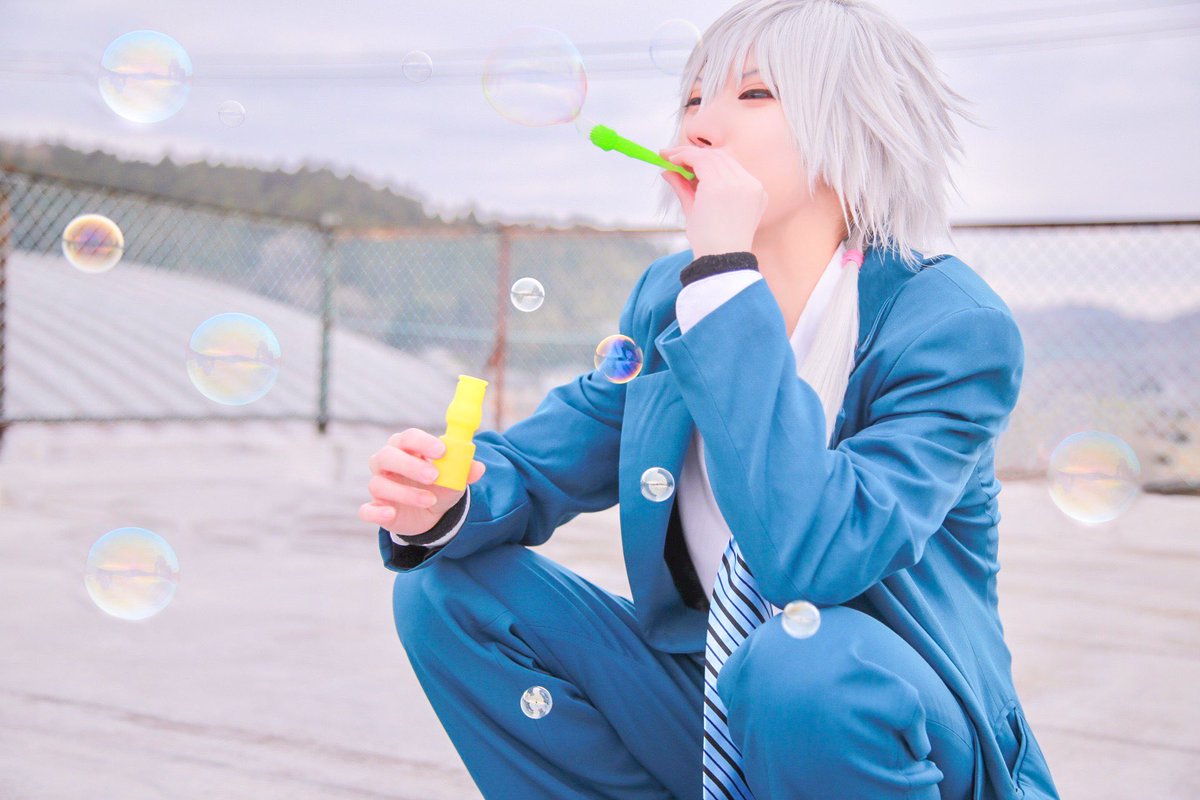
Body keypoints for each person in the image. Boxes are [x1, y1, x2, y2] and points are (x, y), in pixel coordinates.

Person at [359, 1, 1061, 797]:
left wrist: (727, 282)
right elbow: (544, 459)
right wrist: (445, 498)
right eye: (694, 97)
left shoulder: (945, 326)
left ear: (858, 125)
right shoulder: (670, 300)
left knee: (801, 662)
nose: (700, 123)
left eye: (754, 94)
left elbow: (812, 555)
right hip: (718, 701)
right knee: (448, 592)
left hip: (892, 724)